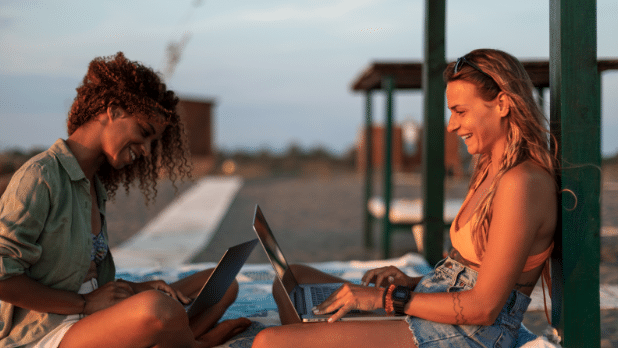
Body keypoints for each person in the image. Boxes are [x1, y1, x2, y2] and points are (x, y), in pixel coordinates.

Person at [252, 48, 558, 348]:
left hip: (473, 331)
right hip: (443, 301)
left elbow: (484, 308)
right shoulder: (491, 167)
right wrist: (410, 283)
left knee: (268, 342)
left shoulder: (522, 183)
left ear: (503, 104)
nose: (451, 125)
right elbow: (468, 269)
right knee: (293, 279)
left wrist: (387, 298)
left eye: (460, 112)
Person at [0, 52, 251, 348]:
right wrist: (84, 304)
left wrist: (133, 288)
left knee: (221, 283)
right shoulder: (41, 176)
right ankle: (194, 343)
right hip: (49, 331)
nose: (146, 150)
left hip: (91, 315)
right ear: (113, 110)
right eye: (143, 133)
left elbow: (86, 277)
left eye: (151, 142)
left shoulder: (93, 183)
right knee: (158, 310)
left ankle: (178, 338)